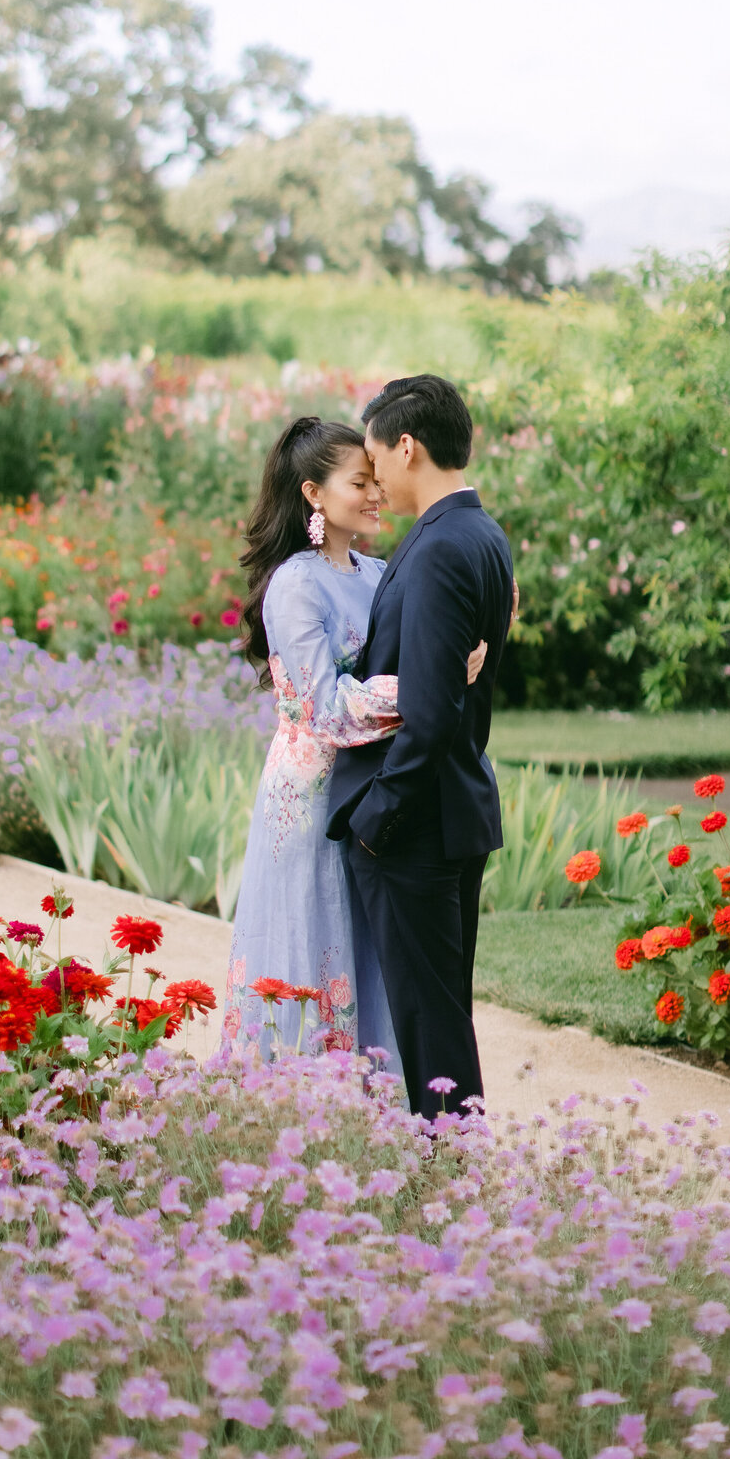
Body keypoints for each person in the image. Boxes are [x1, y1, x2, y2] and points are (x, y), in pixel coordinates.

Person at [222, 415, 487, 1065]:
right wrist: (429, 682)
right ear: (314, 493)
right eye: (359, 481)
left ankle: (373, 1107)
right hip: (310, 798)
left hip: (369, 791)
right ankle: (299, 1107)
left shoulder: (378, 572)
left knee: (371, 951)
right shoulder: (294, 584)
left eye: (377, 479)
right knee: (314, 947)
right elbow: (324, 707)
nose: (376, 493)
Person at [326, 375, 514, 1121]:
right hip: (455, 808)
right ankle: (453, 1166)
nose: (373, 475)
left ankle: (453, 1175)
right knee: (440, 1009)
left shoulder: (438, 547)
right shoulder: (483, 534)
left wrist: (377, 817)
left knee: (429, 1019)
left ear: (407, 446)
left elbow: (429, 715)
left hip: (418, 824)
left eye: (375, 456)